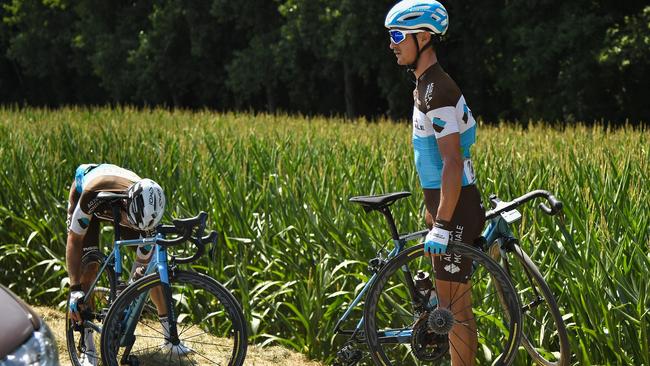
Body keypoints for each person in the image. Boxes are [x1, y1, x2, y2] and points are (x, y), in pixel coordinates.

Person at [385, 1, 486, 365]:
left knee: (454, 309)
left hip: (456, 210)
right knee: (448, 303)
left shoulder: (437, 91)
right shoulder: (424, 86)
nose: (392, 44)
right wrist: (434, 212)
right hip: (447, 205)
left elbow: (451, 161)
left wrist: (443, 222)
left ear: (424, 37)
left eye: (398, 36)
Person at [65, 163, 189, 365]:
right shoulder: (92, 193)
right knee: (88, 270)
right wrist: (74, 287)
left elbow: (142, 262)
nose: (134, 228)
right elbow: (74, 239)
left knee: (153, 269)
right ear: (127, 205)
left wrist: (128, 296)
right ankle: (88, 348)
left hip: (131, 211)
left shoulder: (149, 211)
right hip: (89, 194)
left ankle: (169, 338)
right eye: (132, 222)